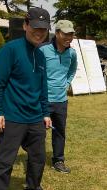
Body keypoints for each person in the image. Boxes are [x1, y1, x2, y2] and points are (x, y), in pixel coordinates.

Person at [0, 7, 52, 190]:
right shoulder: (10, 50)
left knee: (38, 158)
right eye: (35, 28)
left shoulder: (41, 54)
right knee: (4, 163)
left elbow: (42, 87)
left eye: (43, 29)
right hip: (12, 117)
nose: (39, 32)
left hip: (35, 118)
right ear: (25, 25)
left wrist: (45, 113)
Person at [39, 20, 77, 174]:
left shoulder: (72, 53)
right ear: (57, 33)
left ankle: (58, 160)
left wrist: (66, 83)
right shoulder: (43, 50)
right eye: (66, 33)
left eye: (71, 34)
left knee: (60, 132)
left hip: (61, 101)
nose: (69, 37)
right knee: (38, 132)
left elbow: (72, 70)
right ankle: (36, 159)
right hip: (43, 100)